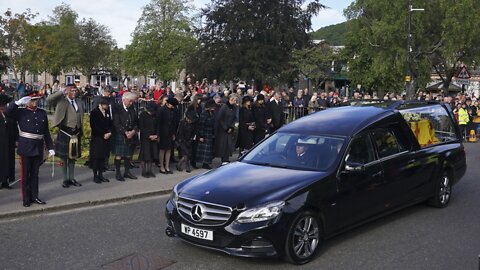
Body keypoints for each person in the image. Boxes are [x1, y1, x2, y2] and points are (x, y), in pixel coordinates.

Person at [5, 92, 54, 207]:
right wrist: (17, 103)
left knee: (35, 174)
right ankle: (26, 199)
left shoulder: (42, 113)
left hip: (38, 146)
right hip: (26, 146)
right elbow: (7, 112)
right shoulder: (21, 112)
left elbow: (45, 131)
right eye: (32, 100)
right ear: (27, 101)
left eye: (36, 99)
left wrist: (50, 147)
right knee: (25, 174)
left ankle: (35, 196)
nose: (34, 102)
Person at [47, 84, 84, 188]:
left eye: (75, 90)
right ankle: (65, 179)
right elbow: (49, 100)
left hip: (76, 133)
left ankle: (72, 178)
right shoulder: (62, 100)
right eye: (71, 91)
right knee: (64, 157)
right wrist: (62, 91)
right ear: (67, 91)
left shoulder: (79, 102)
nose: (74, 93)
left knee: (73, 157)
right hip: (65, 132)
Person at [112, 92, 139, 181]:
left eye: (132, 101)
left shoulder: (132, 108)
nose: (131, 103)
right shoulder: (117, 108)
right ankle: (118, 173)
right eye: (130, 101)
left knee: (128, 155)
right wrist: (125, 132)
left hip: (130, 134)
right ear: (124, 99)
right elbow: (116, 123)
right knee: (118, 155)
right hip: (120, 134)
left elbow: (136, 122)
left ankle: (127, 172)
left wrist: (133, 131)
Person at [89, 97, 113, 184]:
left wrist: (109, 132)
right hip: (97, 138)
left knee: (103, 158)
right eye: (106, 105)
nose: (107, 107)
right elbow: (93, 126)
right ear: (101, 104)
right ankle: (95, 176)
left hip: (106, 138)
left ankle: (101, 175)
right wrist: (103, 134)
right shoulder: (94, 113)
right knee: (96, 158)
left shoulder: (107, 112)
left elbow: (110, 123)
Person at [214, 94, 238, 165]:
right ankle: (223, 159)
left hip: (230, 127)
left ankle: (226, 158)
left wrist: (232, 127)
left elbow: (234, 118)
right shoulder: (224, 107)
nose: (235, 101)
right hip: (223, 129)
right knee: (223, 144)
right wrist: (226, 128)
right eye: (234, 100)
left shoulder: (234, 107)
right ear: (231, 99)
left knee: (228, 144)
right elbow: (220, 118)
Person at [157, 97, 178, 174]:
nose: (173, 107)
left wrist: (173, 133)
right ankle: (162, 166)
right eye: (172, 105)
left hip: (170, 132)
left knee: (169, 149)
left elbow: (174, 123)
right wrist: (158, 135)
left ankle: (167, 167)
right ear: (168, 104)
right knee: (162, 150)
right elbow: (158, 123)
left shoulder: (173, 111)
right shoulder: (161, 110)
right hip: (162, 133)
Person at [138, 102, 158, 178]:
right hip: (145, 138)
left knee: (151, 155)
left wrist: (156, 135)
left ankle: (149, 171)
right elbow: (141, 127)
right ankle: (144, 171)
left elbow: (157, 126)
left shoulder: (154, 115)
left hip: (153, 137)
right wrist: (148, 136)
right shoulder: (142, 115)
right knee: (145, 155)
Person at [176, 108, 198, 173]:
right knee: (187, 153)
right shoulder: (182, 122)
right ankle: (187, 165)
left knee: (188, 154)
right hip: (182, 140)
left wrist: (192, 138)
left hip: (189, 139)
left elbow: (194, 132)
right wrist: (182, 140)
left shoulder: (193, 123)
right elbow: (180, 132)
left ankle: (179, 163)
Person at [197, 99, 216, 169]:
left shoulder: (212, 113)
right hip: (205, 132)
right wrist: (201, 136)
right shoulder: (204, 113)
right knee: (205, 149)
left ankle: (207, 162)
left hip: (210, 132)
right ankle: (204, 163)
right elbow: (201, 124)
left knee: (209, 149)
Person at [0, 94, 14, 189]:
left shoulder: (9, 114)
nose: (4, 107)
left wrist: (16, 139)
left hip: (9, 141)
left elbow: (15, 128)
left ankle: (6, 181)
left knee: (8, 161)